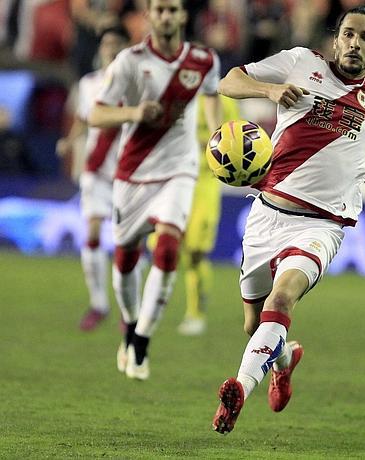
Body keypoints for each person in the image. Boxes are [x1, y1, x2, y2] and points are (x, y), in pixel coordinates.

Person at [211, 4, 365, 434]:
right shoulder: (300, 63)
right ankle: (283, 362)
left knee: (280, 300)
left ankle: (237, 391)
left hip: (322, 226)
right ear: (335, 38)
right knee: (254, 326)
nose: (354, 44)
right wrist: (269, 92)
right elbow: (228, 81)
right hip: (268, 214)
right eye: (348, 34)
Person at [88, 0, 221, 380]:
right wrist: (133, 113)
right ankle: (131, 325)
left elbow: (211, 94)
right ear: (148, 15)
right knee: (126, 257)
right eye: (159, 9)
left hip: (179, 170)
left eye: (173, 9)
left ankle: (142, 341)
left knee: (167, 247)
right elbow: (97, 113)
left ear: (183, 16)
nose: (166, 16)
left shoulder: (203, 60)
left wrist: (215, 135)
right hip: (132, 173)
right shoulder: (129, 61)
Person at [56, 26, 130, 331]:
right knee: (94, 230)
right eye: (105, 44)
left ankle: (129, 310)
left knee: (127, 240)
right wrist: (69, 141)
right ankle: (99, 303)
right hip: (96, 168)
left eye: (115, 44)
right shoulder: (89, 84)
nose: (109, 49)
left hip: (126, 170)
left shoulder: (135, 83)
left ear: (126, 49)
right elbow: (85, 119)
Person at [175, 94, 240, 336]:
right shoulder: (175, 92)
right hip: (173, 180)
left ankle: (196, 313)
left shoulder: (224, 102)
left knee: (195, 252)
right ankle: (145, 310)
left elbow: (235, 141)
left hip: (205, 183)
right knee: (165, 248)